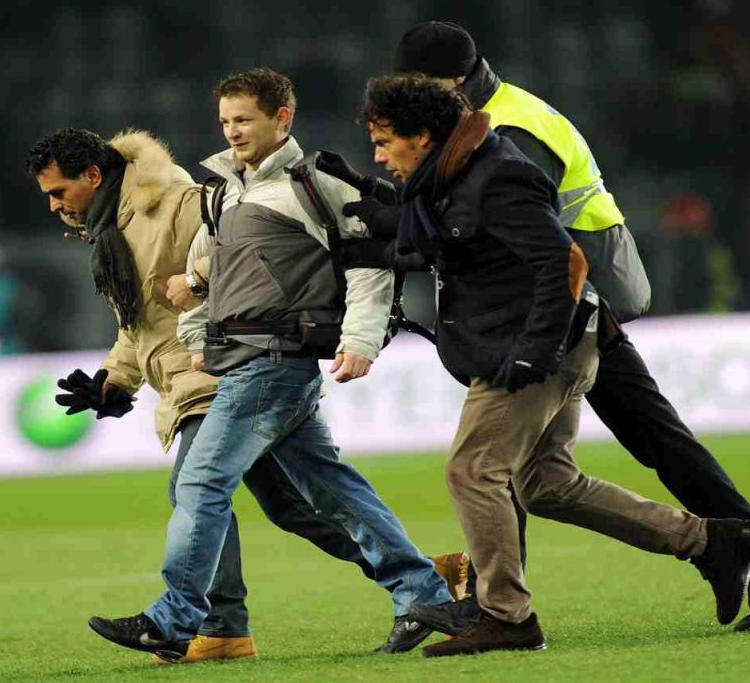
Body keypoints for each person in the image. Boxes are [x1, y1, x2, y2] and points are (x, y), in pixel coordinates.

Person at [388, 21, 750, 633]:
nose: (412, 100)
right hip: (571, 300)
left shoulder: (502, 132)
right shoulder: (499, 113)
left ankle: (496, 607)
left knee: (537, 456)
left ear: (453, 81)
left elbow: (531, 240)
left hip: (570, 303)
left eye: (419, 85)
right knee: (629, 449)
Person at [25, 128, 462, 664]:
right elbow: (142, 323)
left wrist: (205, 294)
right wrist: (114, 379)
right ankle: (425, 579)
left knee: (197, 487)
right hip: (211, 369)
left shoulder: (177, 204)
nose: (53, 206)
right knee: (298, 504)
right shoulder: (114, 226)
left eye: (58, 192)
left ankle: (217, 625)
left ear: (93, 177)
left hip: (225, 367)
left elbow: (240, 259)